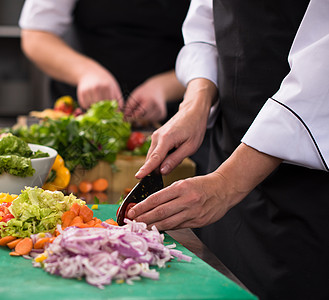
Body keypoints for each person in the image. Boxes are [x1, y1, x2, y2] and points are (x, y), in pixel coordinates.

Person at [128, 0, 329, 299]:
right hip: (224, 158)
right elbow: (207, 22)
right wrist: (195, 103)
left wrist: (228, 183)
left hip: (307, 194)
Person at [18, 0, 189, 123]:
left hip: (177, 114)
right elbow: (36, 36)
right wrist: (86, 72)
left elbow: (211, 50)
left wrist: (165, 87)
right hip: (81, 117)